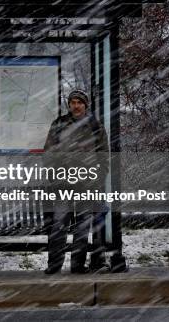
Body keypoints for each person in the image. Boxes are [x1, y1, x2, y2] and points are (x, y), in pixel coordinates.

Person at [43, 89, 110, 275]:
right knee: (58, 226)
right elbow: (48, 153)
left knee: (82, 227)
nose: (76, 105)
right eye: (73, 102)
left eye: (79, 102)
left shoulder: (95, 126)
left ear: (85, 105)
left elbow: (104, 156)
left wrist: (99, 177)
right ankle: (54, 265)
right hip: (62, 184)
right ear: (69, 105)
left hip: (87, 184)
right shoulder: (59, 124)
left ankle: (77, 266)